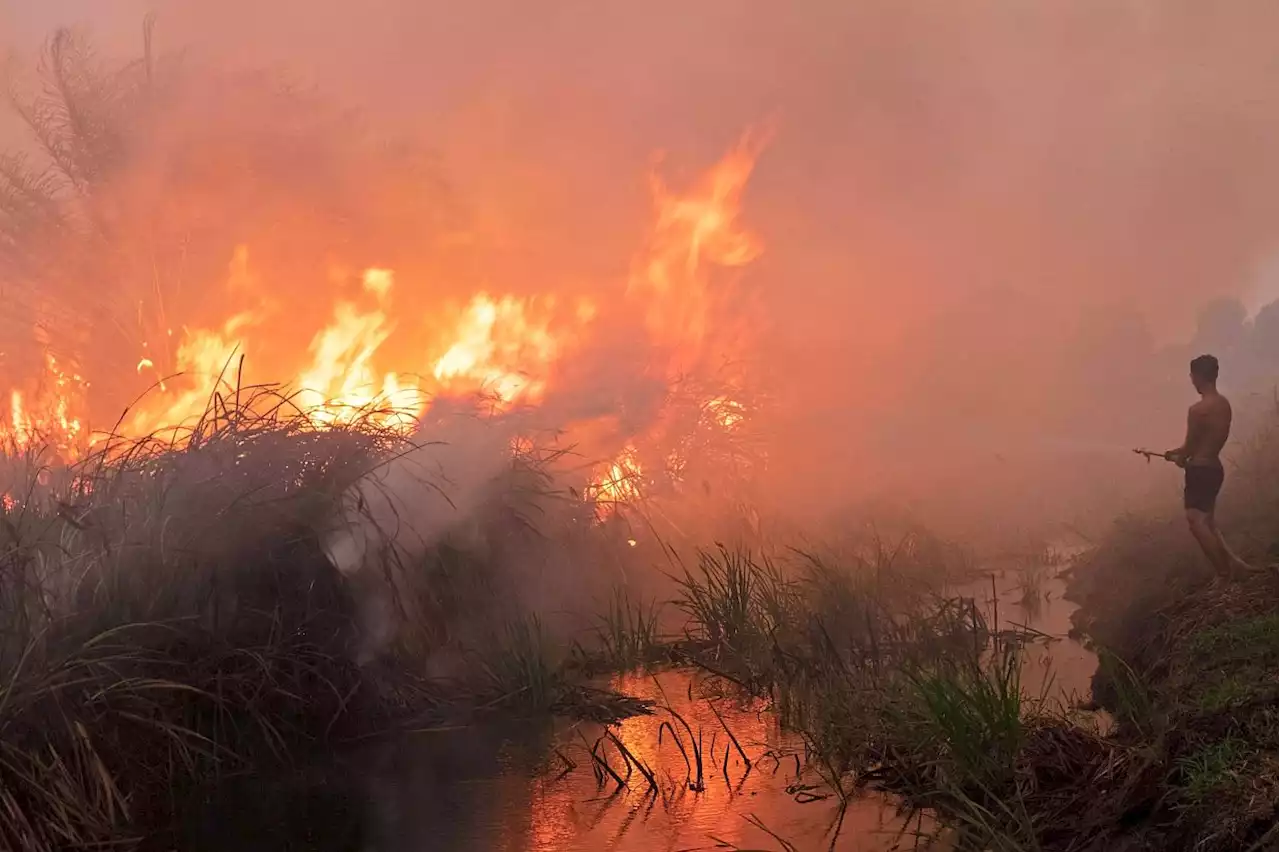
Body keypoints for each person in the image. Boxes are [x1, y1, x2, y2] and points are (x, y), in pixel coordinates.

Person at [1165, 354, 1252, 580]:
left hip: (1200, 470)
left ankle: (1224, 573)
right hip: (1215, 468)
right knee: (1209, 523)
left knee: (1196, 522)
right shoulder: (1224, 404)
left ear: (1199, 376)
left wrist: (1178, 457)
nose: (1191, 381)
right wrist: (1178, 454)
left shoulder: (1197, 410)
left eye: (1192, 376)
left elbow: (1189, 448)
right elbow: (1203, 442)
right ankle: (1236, 565)